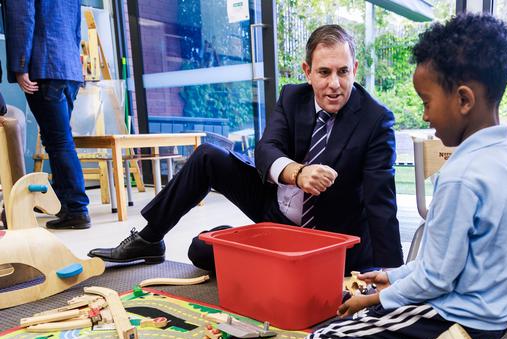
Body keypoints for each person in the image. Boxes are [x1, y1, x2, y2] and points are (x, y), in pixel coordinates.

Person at [303, 13, 507, 339]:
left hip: (457, 315)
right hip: (493, 317)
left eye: (426, 102)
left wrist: (377, 298)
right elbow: (446, 263)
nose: (425, 116)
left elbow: (437, 278)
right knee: (364, 322)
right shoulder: (504, 157)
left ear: (464, 100)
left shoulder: (461, 176)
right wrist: (391, 276)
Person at [88, 24, 403, 274]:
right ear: (307, 72)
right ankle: (150, 237)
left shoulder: (376, 120)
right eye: (324, 72)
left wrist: (393, 277)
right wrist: (298, 173)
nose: (335, 83)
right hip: (276, 210)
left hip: (326, 238)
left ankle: (244, 244)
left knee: (200, 249)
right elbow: (266, 149)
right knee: (208, 155)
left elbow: (381, 204)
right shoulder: (293, 97)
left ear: (355, 69)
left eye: (343, 71)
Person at [4, 0, 91, 229]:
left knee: (58, 141)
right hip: (68, 68)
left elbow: (22, 17)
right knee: (60, 139)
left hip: (44, 65)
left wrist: (21, 65)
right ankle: (67, 206)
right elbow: (75, 26)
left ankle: (76, 209)